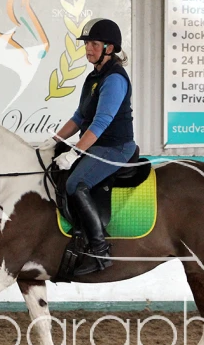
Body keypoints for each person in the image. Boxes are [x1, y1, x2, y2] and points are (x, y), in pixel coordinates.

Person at [40, 18, 136, 276]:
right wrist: (54, 141)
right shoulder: (94, 77)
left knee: (75, 184)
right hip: (97, 145)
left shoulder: (114, 79)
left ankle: (100, 251)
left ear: (109, 48)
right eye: (87, 44)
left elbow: (101, 122)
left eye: (94, 44)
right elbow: (79, 118)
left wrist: (74, 153)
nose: (88, 49)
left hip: (115, 147)